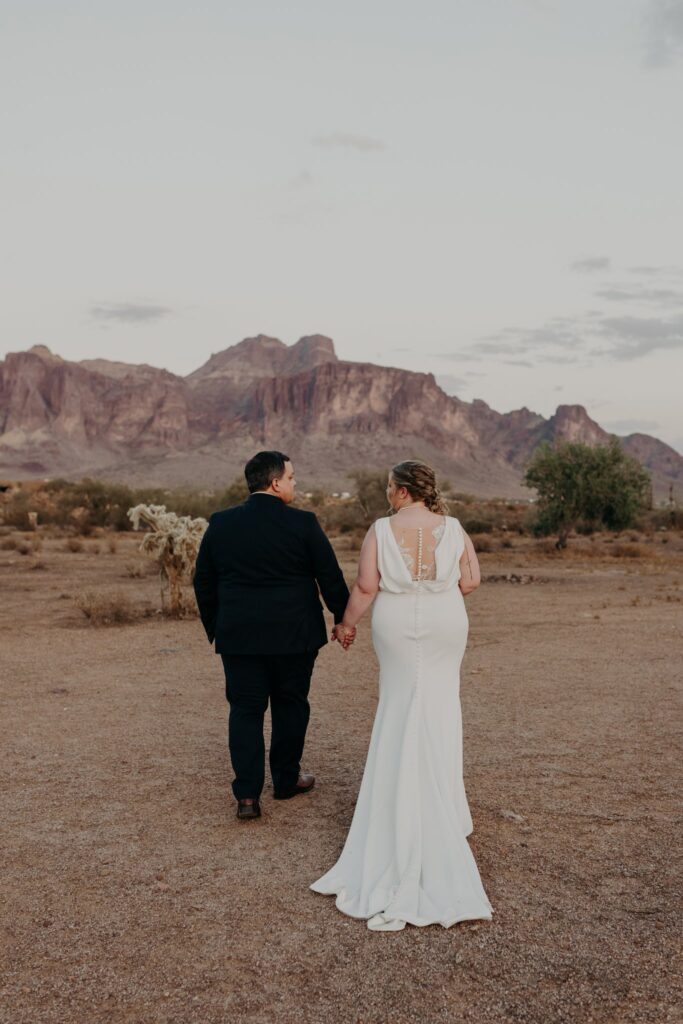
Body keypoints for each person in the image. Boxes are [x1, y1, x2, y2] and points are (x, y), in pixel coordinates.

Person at [313, 460, 494, 930]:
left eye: (389, 487)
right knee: (439, 705)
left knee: (398, 705)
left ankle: (395, 808)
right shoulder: (454, 529)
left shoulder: (380, 529)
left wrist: (347, 624)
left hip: (395, 625)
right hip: (444, 621)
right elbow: (470, 581)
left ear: (401, 491)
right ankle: (446, 808)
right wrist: (436, 592)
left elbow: (367, 585)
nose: (387, 493)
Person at [193, 451, 351, 820]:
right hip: (295, 635)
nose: (295, 484)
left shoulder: (221, 522)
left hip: (239, 637)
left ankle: (247, 796)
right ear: (276, 482)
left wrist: (217, 627)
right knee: (290, 705)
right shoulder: (303, 523)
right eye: (292, 478)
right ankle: (285, 780)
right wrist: (343, 619)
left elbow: (203, 581)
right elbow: (329, 575)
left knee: (245, 711)